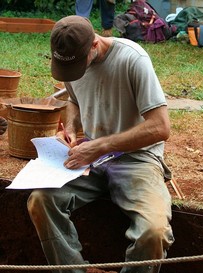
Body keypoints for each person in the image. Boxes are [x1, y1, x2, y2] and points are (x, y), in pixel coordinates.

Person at [27, 15, 174, 273]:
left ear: (94, 45)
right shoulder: (73, 57)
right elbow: (73, 99)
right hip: (90, 158)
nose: (74, 75)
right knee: (40, 199)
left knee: (153, 232)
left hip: (136, 158)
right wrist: (71, 127)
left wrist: (101, 146)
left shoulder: (132, 59)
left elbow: (160, 127)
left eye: (78, 67)